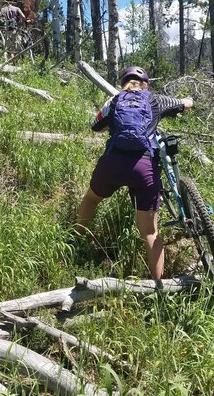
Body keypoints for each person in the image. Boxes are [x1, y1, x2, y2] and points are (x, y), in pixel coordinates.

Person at [77, 66, 193, 280]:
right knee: (150, 232)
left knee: (91, 199)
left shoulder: (114, 101)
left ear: (123, 83)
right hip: (144, 167)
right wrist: (187, 101)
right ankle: (159, 288)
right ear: (145, 84)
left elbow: (95, 125)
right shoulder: (155, 100)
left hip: (113, 162)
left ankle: (76, 242)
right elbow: (185, 104)